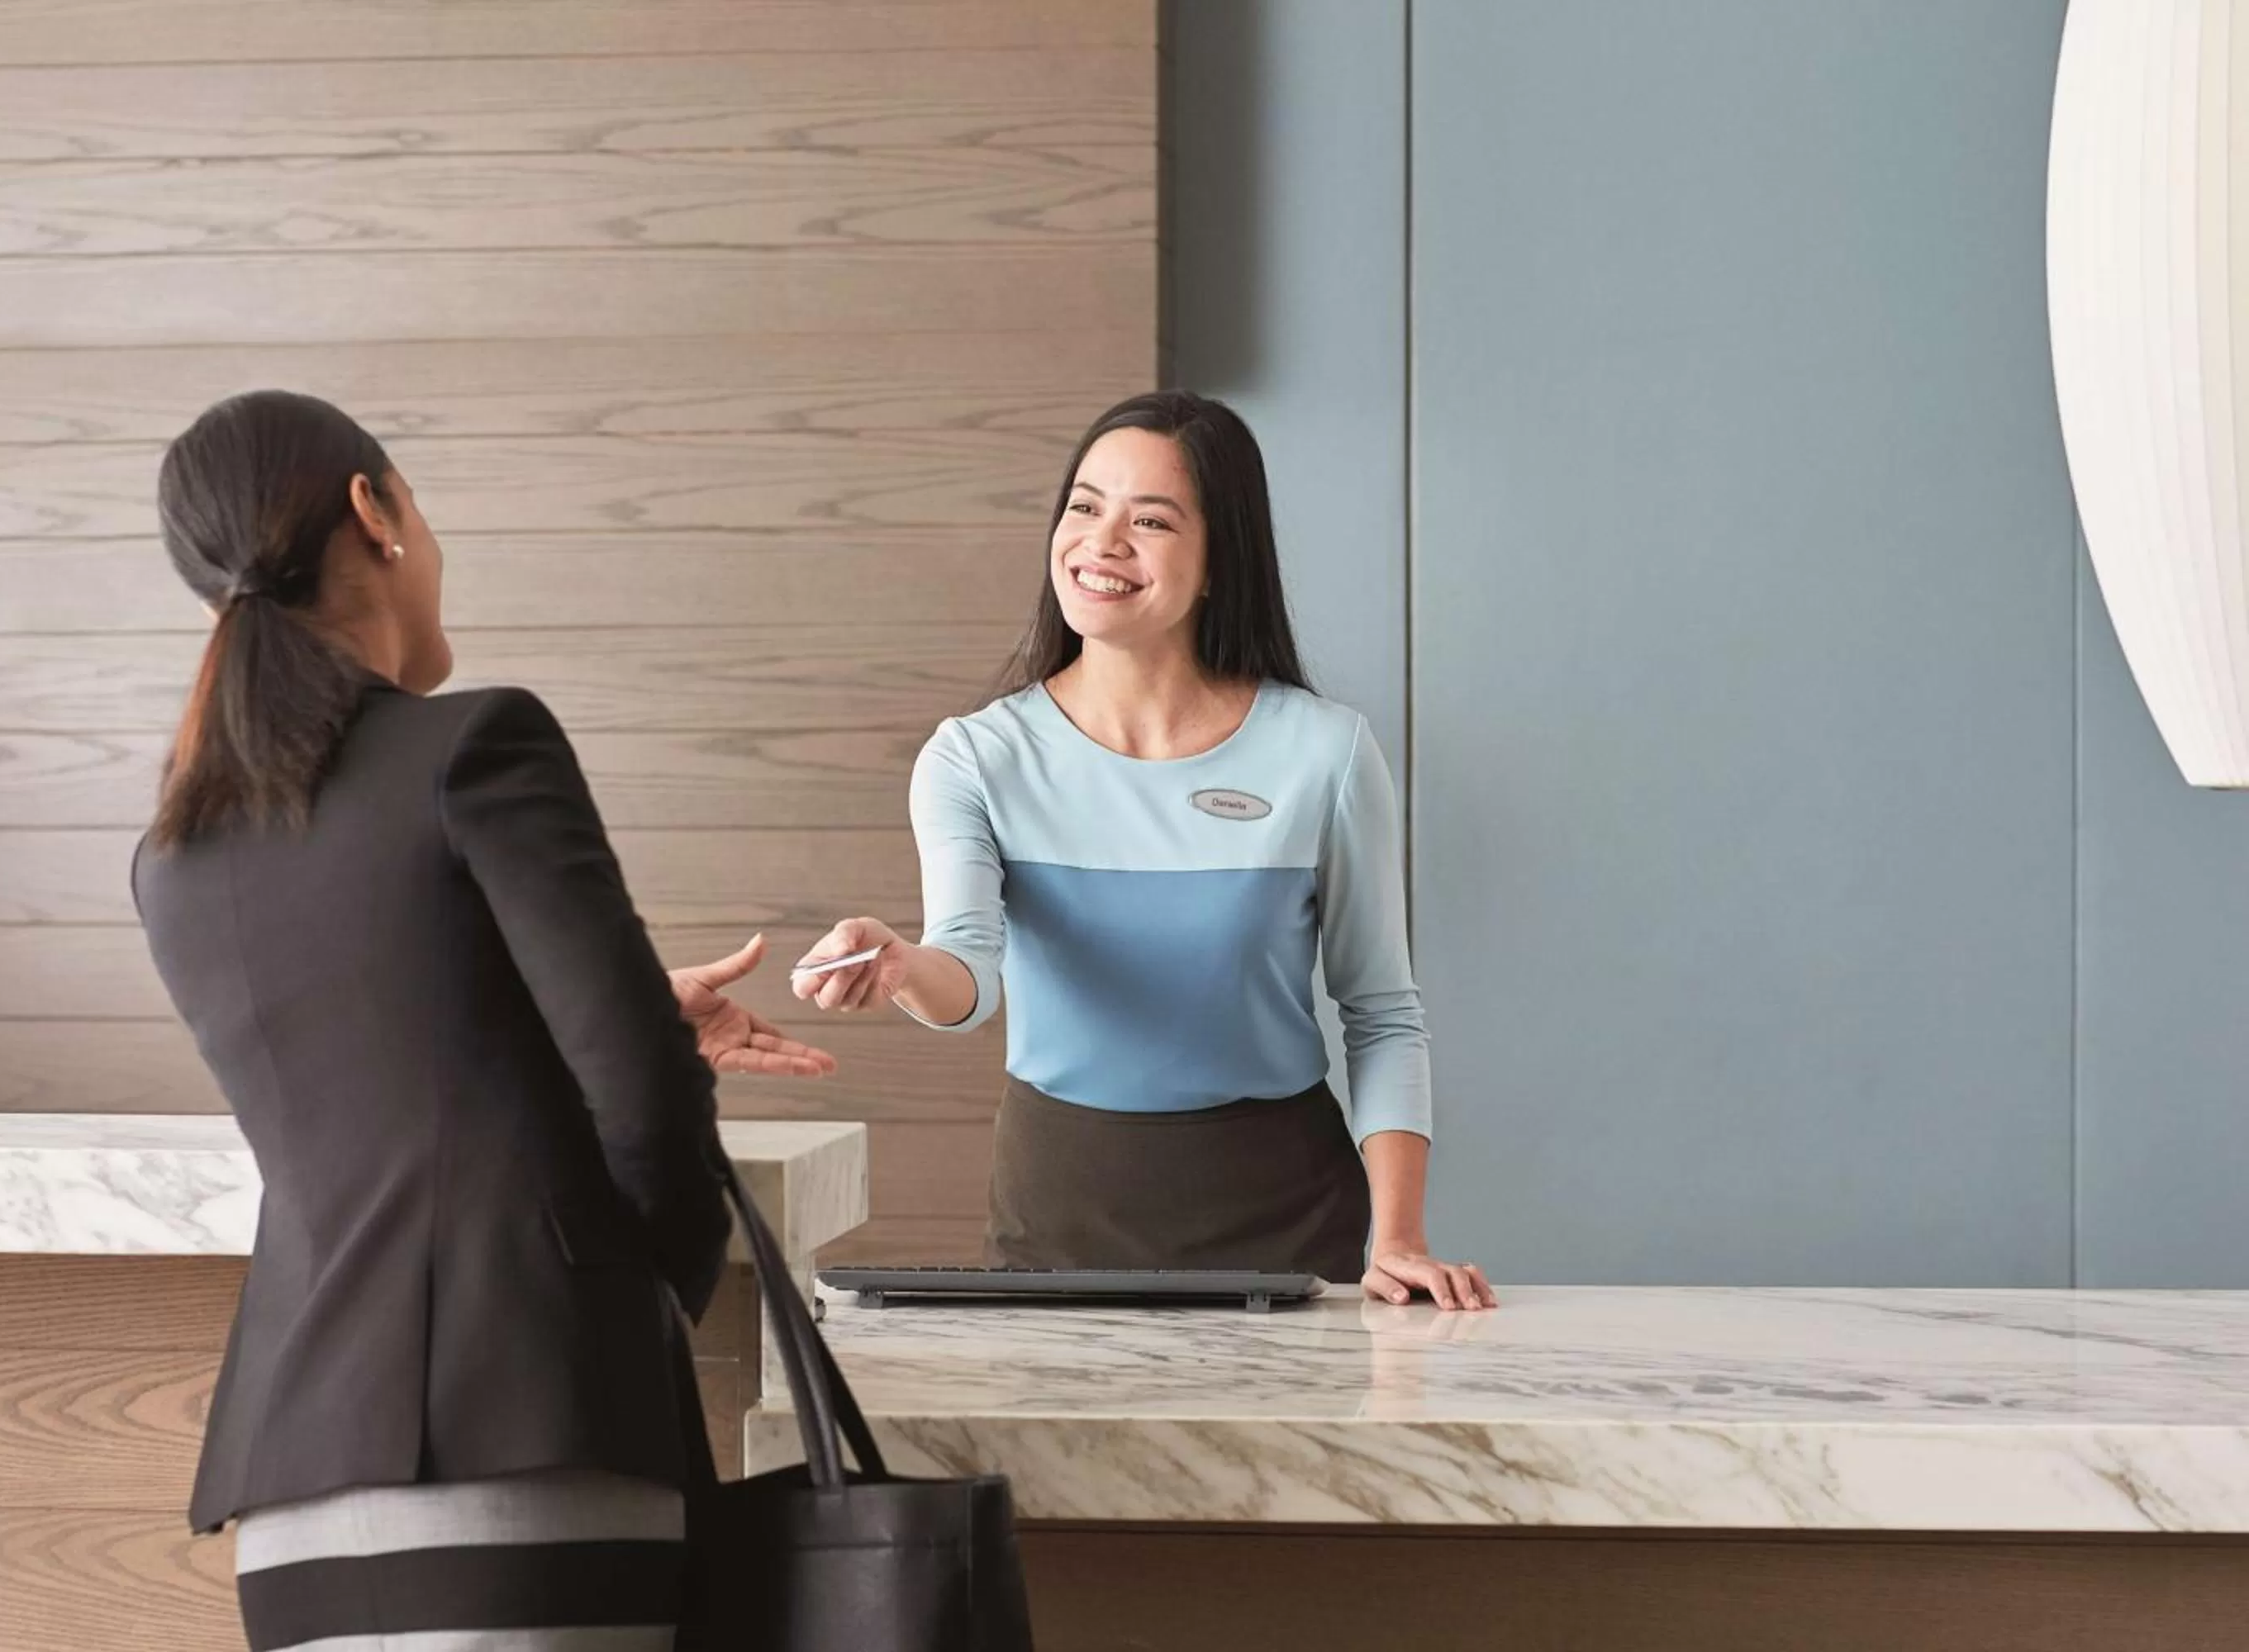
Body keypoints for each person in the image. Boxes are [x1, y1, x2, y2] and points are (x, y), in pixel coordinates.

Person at [132, 391, 832, 1652]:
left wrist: (603, 1022)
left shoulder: (175, 855)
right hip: (531, 1465)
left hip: (292, 1500)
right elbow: (643, 1101)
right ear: (374, 511)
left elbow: (389, 1070)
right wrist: (649, 1287)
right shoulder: (479, 745)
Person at [793, 392, 1495, 1311]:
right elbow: (968, 978)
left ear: (1218, 560)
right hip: (1059, 1195)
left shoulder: (1325, 752)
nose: (1102, 540)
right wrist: (898, 962)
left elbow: (1382, 1011)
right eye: (1085, 506)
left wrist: (1399, 1235)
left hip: (1283, 1203)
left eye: (1151, 519)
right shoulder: (976, 756)